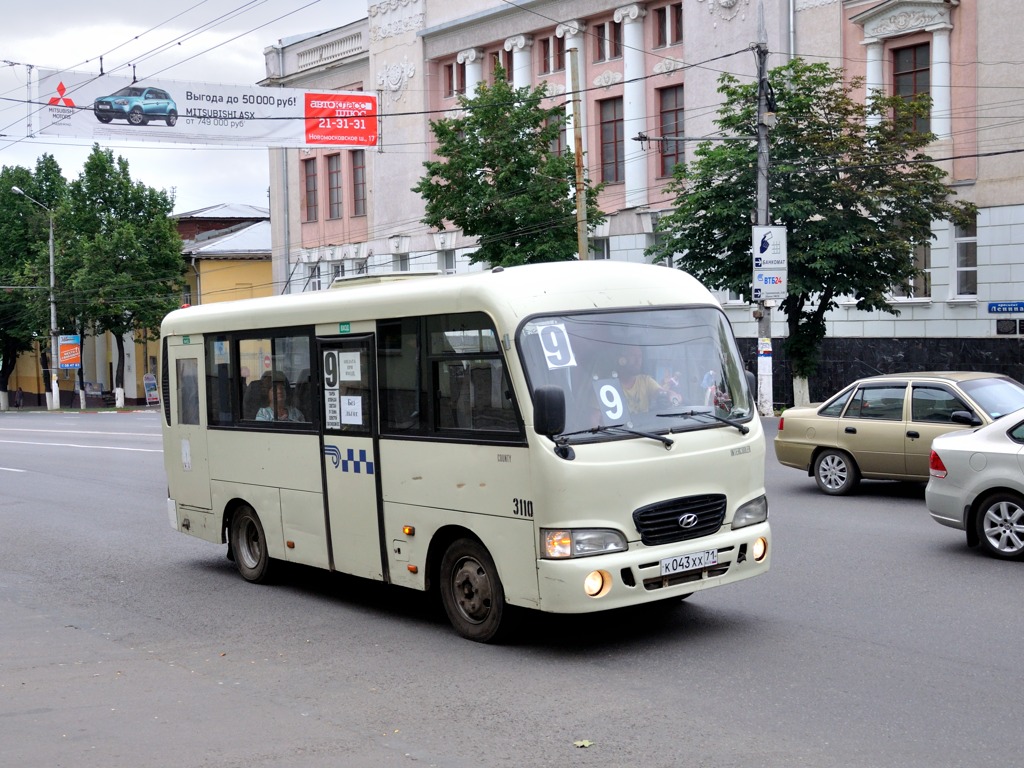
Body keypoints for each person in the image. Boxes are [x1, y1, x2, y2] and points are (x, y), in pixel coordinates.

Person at [616, 346, 679, 414]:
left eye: (640, 356)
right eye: (633, 356)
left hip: (645, 424)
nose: (638, 361)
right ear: (622, 360)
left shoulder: (645, 381)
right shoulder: (611, 385)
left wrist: (671, 397)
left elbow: (661, 392)